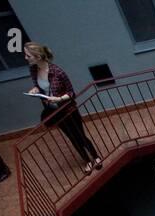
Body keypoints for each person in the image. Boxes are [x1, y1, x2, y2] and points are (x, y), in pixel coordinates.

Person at [24, 42, 101, 174]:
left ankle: (96, 157)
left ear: (38, 56)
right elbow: (39, 85)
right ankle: (87, 161)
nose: (26, 58)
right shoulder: (33, 70)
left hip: (67, 108)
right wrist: (35, 89)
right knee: (71, 137)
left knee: (80, 135)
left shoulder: (57, 72)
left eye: (28, 55)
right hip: (53, 110)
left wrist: (59, 99)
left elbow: (71, 93)